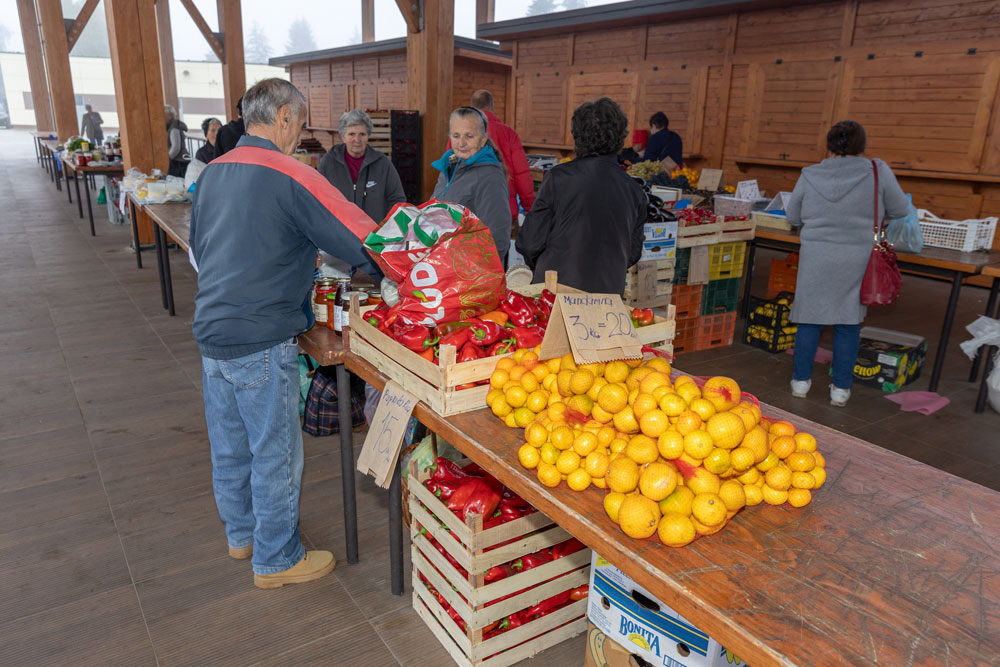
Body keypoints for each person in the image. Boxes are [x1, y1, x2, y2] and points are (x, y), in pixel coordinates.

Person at [189, 78, 382, 589]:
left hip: (212, 332)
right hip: (261, 334)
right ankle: (277, 558)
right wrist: (402, 273)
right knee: (274, 452)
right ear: (284, 117)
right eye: (300, 122)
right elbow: (360, 235)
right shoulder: (290, 172)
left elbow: (200, 250)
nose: (299, 134)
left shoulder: (212, 172)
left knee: (230, 447)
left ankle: (242, 536)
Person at [786, 120, 908, 407]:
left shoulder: (810, 174)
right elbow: (900, 208)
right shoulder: (877, 171)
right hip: (857, 258)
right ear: (862, 145)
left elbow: (793, 217)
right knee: (848, 323)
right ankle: (840, 389)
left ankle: (800, 383)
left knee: (809, 320)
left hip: (816, 256)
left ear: (829, 145)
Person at [516, 97, 645, 294]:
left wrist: (545, 266)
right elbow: (632, 252)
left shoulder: (558, 178)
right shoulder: (634, 190)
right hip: (608, 297)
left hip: (557, 293)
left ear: (577, 136)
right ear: (620, 137)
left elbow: (529, 242)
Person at [431, 106, 510, 260]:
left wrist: (467, 268)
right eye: (456, 135)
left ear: (483, 140)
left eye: (469, 136)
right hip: (442, 263)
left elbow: (497, 238)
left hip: (467, 268)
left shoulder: (490, 177)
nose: (461, 143)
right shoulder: (448, 168)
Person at [318, 109, 407, 223]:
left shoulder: (383, 163)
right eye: (351, 134)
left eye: (362, 134)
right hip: (339, 230)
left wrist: (386, 227)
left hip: (375, 231)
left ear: (368, 135)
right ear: (343, 137)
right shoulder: (328, 162)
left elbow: (397, 199)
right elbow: (317, 198)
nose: (357, 140)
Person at [469, 89, 535, 221]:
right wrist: (530, 206)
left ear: (472, 107)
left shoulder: (460, 135)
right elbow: (522, 174)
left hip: (470, 212)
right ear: (492, 106)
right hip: (504, 210)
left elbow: (450, 175)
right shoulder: (509, 133)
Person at [165, 105, 190, 177]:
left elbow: (176, 147)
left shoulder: (174, 127)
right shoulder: (172, 126)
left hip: (179, 163)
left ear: (169, 115)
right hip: (179, 161)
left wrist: (167, 158)